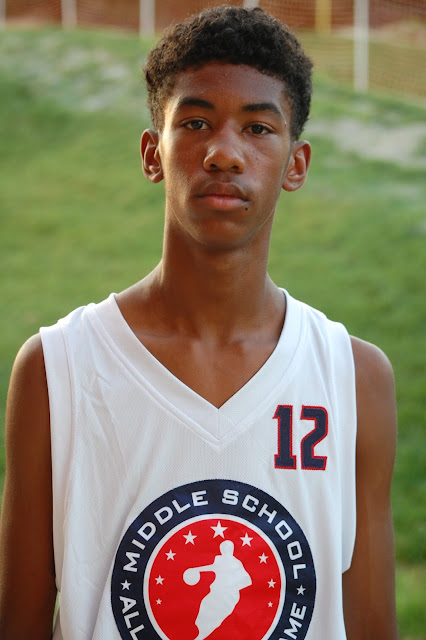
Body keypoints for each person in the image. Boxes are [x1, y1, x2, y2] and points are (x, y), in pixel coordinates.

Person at [0, 6, 398, 640]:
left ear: (296, 164)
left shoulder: (354, 377)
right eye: (195, 122)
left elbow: (371, 624)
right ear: (152, 153)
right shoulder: (58, 369)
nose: (224, 153)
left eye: (258, 128)